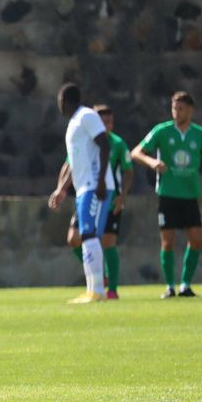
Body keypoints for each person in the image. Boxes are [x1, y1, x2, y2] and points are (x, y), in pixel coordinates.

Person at [131, 91, 202, 298]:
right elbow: (136, 152)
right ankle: (170, 286)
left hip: (190, 195)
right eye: (174, 108)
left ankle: (185, 285)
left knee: (196, 240)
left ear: (190, 110)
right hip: (167, 194)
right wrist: (152, 163)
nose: (176, 112)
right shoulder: (162, 131)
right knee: (167, 241)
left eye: (180, 109)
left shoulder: (200, 134)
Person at [49, 105, 133, 299]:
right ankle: (97, 280)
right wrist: (61, 189)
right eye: (102, 121)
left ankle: (109, 288)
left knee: (105, 240)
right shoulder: (85, 138)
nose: (106, 125)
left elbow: (128, 170)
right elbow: (70, 164)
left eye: (109, 121)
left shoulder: (116, 143)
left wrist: (121, 195)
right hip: (85, 192)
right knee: (77, 238)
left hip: (104, 194)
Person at [50, 83, 114, 303]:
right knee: (84, 236)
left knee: (89, 234)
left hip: (95, 184)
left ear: (65, 101)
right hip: (84, 187)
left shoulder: (87, 116)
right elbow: (75, 162)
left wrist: (101, 181)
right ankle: (91, 289)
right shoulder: (74, 123)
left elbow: (105, 144)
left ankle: (98, 290)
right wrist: (62, 190)